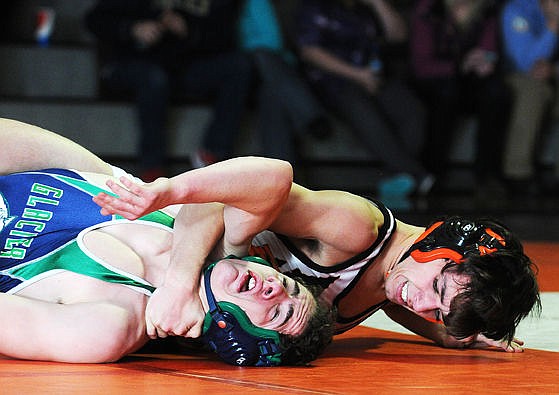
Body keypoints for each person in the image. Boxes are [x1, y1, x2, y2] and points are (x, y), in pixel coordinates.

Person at [97, 153, 542, 353]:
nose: (421, 304)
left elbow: (394, 301)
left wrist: (448, 334)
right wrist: (170, 195)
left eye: (438, 311)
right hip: (156, 244)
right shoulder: (355, 228)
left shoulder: (401, 283)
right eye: (438, 287)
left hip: (165, 301)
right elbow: (235, 193)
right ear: (438, 241)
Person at [0, 119, 334, 366]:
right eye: (288, 285)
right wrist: (177, 283)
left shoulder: (107, 327)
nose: (274, 289)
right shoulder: (190, 219)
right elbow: (275, 175)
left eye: (277, 313)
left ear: (233, 336)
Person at [85, 0, 253, 180]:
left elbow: (225, 36)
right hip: (135, 62)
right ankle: (152, 168)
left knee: (239, 66)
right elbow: (93, 20)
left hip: (184, 65)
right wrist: (133, 28)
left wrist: (188, 29)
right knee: (154, 79)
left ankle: (213, 154)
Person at [294, 0, 433, 198]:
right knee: (363, 110)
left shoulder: (365, 10)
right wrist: (357, 75)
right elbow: (309, 51)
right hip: (333, 81)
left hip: (373, 77)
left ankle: (400, 176)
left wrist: (379, 4)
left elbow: (399, 36)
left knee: (413, 111)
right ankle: (416, 174)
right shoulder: (315, 6)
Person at [409, 0, 511, 193]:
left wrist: (485, 62)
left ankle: (486, 175)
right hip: (434, 80)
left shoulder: (486, 10)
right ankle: (433, 171)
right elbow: (421, 66)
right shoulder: (429, 9)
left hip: (469, 79)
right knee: (447, 93)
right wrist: (458, 65)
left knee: (497, 93)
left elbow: (488, 51)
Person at [238, 0, 332, 168]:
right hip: (240, 72)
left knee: (271, 94)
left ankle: (284, 180)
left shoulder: (267, 4)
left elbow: (277, 42)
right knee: (261, 57)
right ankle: (310, 115)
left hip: (276, 74)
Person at [501, 0, 559, 194]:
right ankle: (518, 176)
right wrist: (553, 24)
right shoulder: (519, 9)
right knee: (533, 91)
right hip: (522, 76)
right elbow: (527, 63)